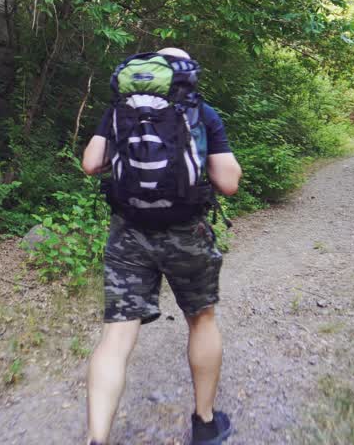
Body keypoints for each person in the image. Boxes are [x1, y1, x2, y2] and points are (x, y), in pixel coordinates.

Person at [80, 47, 241, 445]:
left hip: (128, 233)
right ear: (186, 75)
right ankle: (204, 423)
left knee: (116, 337)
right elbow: (229, 183)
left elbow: (90, 163)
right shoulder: (201, 113)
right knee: (201, 319)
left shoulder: (119, 111)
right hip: (186, 232)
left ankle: (96, 438)